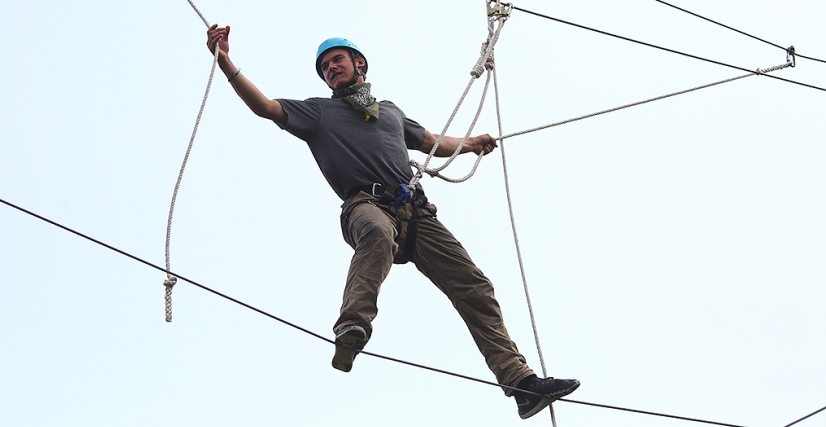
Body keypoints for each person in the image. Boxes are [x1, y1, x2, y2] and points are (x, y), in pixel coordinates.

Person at [206, 24, 579, 420]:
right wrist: (226, 61)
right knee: (377, 234)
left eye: (337, 61)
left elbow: (432, 141)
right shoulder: (319, 112)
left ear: (358, 63)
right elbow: (265, 107)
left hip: (417, 213)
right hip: (366, 205)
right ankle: (352, 329)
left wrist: (470, 145)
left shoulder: (390, 112)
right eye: (325, 67)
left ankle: (520, 382)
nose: (331, 69)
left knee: (475, 285)